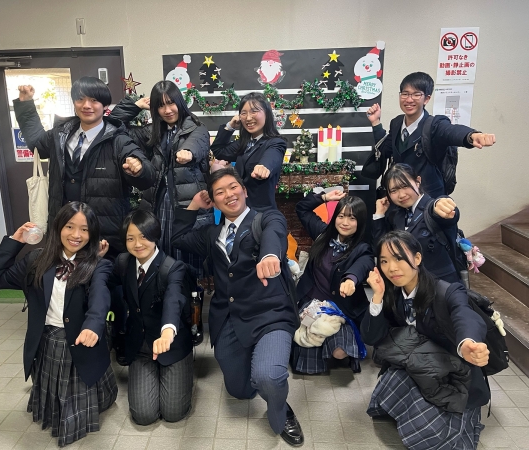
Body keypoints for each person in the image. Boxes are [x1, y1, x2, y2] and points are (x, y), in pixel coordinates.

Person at [171, 167, 303, 447]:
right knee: (240, 391)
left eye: (233, 187)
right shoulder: (211, 234)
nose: (229, 195)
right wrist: (194, 205)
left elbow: (275, 234)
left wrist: (269, 255)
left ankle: (281, 409)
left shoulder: (266, 218)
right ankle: (260, 370)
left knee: (267, 377)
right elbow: (178, 237)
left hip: (270, 313)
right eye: (219, 192)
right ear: (214, 201)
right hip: (229, 316)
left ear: (244, 190)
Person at [0, 202, 117, 447]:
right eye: (70, 226)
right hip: (46, 341)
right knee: (51, 393)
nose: (76, 235)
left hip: (79, 341)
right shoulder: (37, 259)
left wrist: (93, 325)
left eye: (85, 229)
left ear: (92, 234)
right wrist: (15, 242)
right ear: (58, 227)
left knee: (79, 401)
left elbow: (100, 297)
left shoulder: (98, 265)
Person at [362, 230, 490, 449]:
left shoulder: (447, 291)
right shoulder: (393, 293)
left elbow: (464, 314)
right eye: (384, 261)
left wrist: (468, 342)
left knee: (435, 436)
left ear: (418, 258)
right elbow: (371, 336)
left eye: (399, 258)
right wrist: (377, 296)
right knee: (394, 394)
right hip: (421, 367)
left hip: (454, 374)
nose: (392, 268)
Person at [14, 76, 156, 259]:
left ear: (105, 105)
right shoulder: (60, 134)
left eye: (94, 100)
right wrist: (26, 105)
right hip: (64, 233)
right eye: (80, 99)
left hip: (103, 239)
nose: (86, 105)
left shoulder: (118, 139)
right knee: (64, 276)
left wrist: (139, 169)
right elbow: (37, 144)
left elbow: (147, 178)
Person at [107, 210, 193, 425]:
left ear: (155, 235)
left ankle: (182, 369)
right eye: (130, 238)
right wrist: (97, 258)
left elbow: (174, 299)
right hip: (140, 346)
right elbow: (105, 282)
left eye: (144, 236)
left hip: (171, 345)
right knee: (143, 415)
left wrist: (168, 331)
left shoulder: (173, 267)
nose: (138, 244)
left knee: (174, 413)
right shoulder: (123, 263)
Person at [108, 80, 212, 258]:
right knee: (161, 256)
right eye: (161, 105)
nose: (167, 110)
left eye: (171, 103)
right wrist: (135, 106)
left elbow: (198, 143)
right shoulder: (152, 132)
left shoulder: (196, 127)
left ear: (179, 102)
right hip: (158, 204)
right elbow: (113, 126)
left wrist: (188, 152)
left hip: (188, 205)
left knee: (188, 257)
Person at [363, 71, 496, 198]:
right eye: (405, 94)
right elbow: (385, 149)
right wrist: (375, 123)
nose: (409, 99)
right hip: (401, 198)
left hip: (428, 199)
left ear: (426, 99)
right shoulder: (396, 123)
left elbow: (450, 131)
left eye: (416, 94)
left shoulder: (434, 124)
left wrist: (471, 136)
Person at [290, 190, 374, 374]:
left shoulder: (362, 248)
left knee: (340, 352)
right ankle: (321, 340)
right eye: (341, 216)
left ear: (360, 222)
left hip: (340, 308)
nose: (345, 222)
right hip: (311, 303)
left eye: (352, 218)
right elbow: (301, 209)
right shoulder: (322, 234)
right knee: (307, 353)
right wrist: (324, 198)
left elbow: (364, 264)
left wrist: (351, 280)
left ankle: (330, 340)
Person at [373, 163, 461, 283]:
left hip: (443, 286)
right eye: (394, 190)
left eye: (405, 186)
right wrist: (379, 215)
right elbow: (383, 249)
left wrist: (441, 204)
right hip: (412, 286)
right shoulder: (397, 215)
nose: (401, 195)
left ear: (418, 181)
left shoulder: (432, 208)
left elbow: (442, 210)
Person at [210, 92, 287, 211]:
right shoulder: (244, 143)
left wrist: (264, 167)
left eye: (254, 111)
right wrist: (230, 126)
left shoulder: (275, 142)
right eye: (243, 113)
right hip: (236, 210)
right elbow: (218, 151)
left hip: (259, 213)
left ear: (267, 113)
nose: (248, 118)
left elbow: (272, 156)